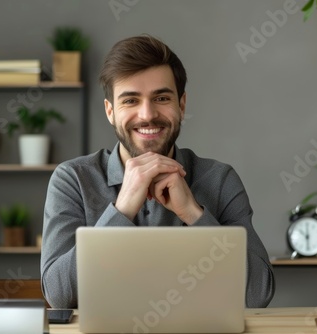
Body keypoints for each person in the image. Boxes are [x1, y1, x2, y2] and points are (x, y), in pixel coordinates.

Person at [41, 34, 275, 309]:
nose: (147, 114)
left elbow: (257, 294)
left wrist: (193, 213)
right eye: (130, 100)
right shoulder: (72, 180)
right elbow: (59, 295)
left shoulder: (220, 179)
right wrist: (122, 209)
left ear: (182, 105)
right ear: (110, 111)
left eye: (161, 97)